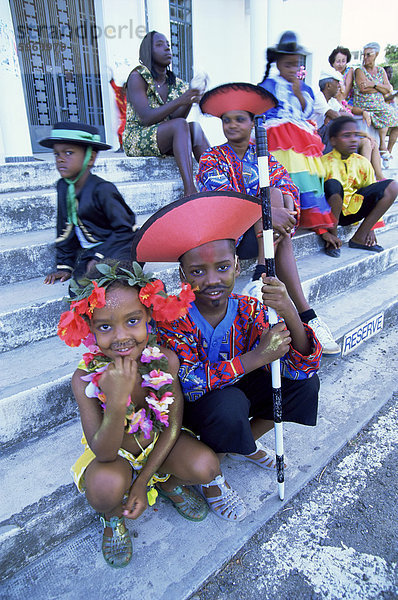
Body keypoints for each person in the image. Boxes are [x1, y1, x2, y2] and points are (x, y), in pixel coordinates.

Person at [132, 191, 322, 520]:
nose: (212, 280)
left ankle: (243, 442)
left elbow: (302, 366)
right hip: (194, 411)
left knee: (305, 386)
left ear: (236, 264)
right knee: (228, 404)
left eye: (222, 267)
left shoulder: (250, 309)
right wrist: (255, 358)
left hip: (236, 392)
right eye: (197, 272)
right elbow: (189, 385)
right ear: (182, 276)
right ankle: (211, 478)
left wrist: (289, 310)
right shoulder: (173, 317)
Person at [59, 260, 223, 567]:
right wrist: (117, 401)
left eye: (132, 321)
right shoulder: (84, 380)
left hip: (157, 445)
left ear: (149, 315)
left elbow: (173, 427)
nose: (121, 336)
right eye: (105, 326)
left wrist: (141, 481)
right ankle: (111, 518)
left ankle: (166, 481)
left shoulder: (165, 361)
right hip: (114, 454)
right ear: (90, 328)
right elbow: (104, 452)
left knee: (206, 466)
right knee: (103, 489)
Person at [197, 82, 340, 354]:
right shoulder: (211, 157)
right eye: (226, 120)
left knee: (277, 195)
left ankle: (264, 277)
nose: (232, 125)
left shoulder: (265, 157)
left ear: (253, 123)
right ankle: (306, 313)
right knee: (272, 207)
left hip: (264, 238)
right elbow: (222, 201)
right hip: (231, 237)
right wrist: (267, 212)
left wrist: (281, 209)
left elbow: (288, 188)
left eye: (240, 119)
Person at [258, 31, 336, 235]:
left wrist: (299, 92)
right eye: (287, 64)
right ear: (278, 64)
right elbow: (261, 109)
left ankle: (310, 213)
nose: (292, 69)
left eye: (296, 64)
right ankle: (288, 209)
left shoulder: (305, 88)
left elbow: (307, 111)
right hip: (277, 134)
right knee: (289, 167)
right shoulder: (269, 85)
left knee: (307, 171)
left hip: (302, 135)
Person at [40, 122, 137, 284]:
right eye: (56, 154)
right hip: (93, 251)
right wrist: (64, 265)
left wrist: (99, 256)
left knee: (110, 274)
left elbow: (125, 229)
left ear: (90, 157)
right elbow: (64, 228)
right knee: (79, 284)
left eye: (69, 153)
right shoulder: (63, 187)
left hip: (120, 245)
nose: (61, 159)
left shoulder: (103, 189)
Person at [123, 31, 209, 195]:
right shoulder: (138, 77)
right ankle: (190, 189)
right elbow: (146, 117)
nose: (167, 49)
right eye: (159, 45)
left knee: (194, 128)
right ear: (148, 51)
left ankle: (220, 178)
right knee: (181, 126)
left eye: (168, 45)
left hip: (162, 136)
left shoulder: (175, 83)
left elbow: (177, 120)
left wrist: (192, 97)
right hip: (137, 137)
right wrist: (181, 100)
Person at [321, 116, 398, 253]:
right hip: (330, 214)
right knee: (333, 184)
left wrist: (371, 227)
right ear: (333, 140)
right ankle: (333, 236)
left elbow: (373, 192)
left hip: (353, 211)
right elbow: (315, 201)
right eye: (346, 136)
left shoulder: (363, 162)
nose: (353, 140)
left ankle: (359, 237)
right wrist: (322, 231)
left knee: (392, 186)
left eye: (356, 135)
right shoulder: (322, 163)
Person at [313, 69, 384, 180]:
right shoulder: (319, 98)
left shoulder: (331, 101)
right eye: (337, 83)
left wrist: (366, 135)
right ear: (328, 85)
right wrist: (337, 115)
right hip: (318, 138)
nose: (339, 87)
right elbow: (337, 118)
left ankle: (374, 177)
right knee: (335, 123)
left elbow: (349, 117)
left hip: (329, 135)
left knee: (368, 142)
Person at [353, 42, 398, 164]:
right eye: (364, 55)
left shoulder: (381, 70)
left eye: (368, 55)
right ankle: (383, 146)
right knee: (387, 112)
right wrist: (381, 88)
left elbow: (388, 88)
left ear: (376, 55)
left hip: (380, 104)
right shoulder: (359, 70)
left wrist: (373, 84)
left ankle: (387, 149)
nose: (365, 58)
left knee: (394, 119)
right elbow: (363, 89)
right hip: (364, 103)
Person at [109, 72, 127, 152]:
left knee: (120, 132)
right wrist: (111, 78)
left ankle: (123, 147)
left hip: (127, 117)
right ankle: (121, 147)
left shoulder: (129, 96)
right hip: (122, 118)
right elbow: (113, 85)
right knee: (120, 132)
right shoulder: (118, 91)